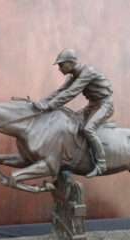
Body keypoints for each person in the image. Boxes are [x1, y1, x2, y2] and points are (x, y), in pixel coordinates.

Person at [34, 49, 114, 178]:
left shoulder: (88, 72)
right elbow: (60, 90)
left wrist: (48, 106)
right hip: (92, 106)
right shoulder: (73, 75)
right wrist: (41, 102)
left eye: (61, 64)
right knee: (73, 127)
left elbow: (71, 92)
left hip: (104, 106)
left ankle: (101, 164)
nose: (59, 69)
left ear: (71, 63)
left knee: (88, 130)